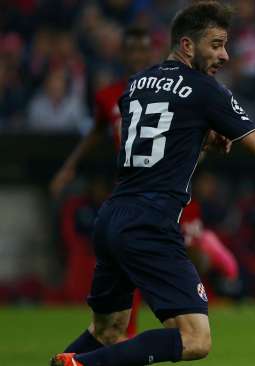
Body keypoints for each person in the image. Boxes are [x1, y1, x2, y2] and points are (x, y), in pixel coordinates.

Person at [50, 2, 255, 366]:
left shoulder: (134, 86)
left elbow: (160, 146)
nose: (224, 55)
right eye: (215, 44)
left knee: (106, 331)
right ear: (186, 45)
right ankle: (83, 365)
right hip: (150, 221)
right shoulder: (204, 89)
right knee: (195, 338)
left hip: (113, 216)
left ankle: (69, 361)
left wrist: (201, 138)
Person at [49, 25, 152, 339]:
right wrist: (69, 168)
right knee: (127, 259)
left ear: (150, 54)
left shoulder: (164, 92)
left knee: (139, 259)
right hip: (130, 188)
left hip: (162, 185)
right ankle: (123, 333)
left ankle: (119, 333)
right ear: (122, 54)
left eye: (142, 50)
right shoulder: (109, 96)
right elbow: (95, 132)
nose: (136, 56)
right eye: (131, 50)